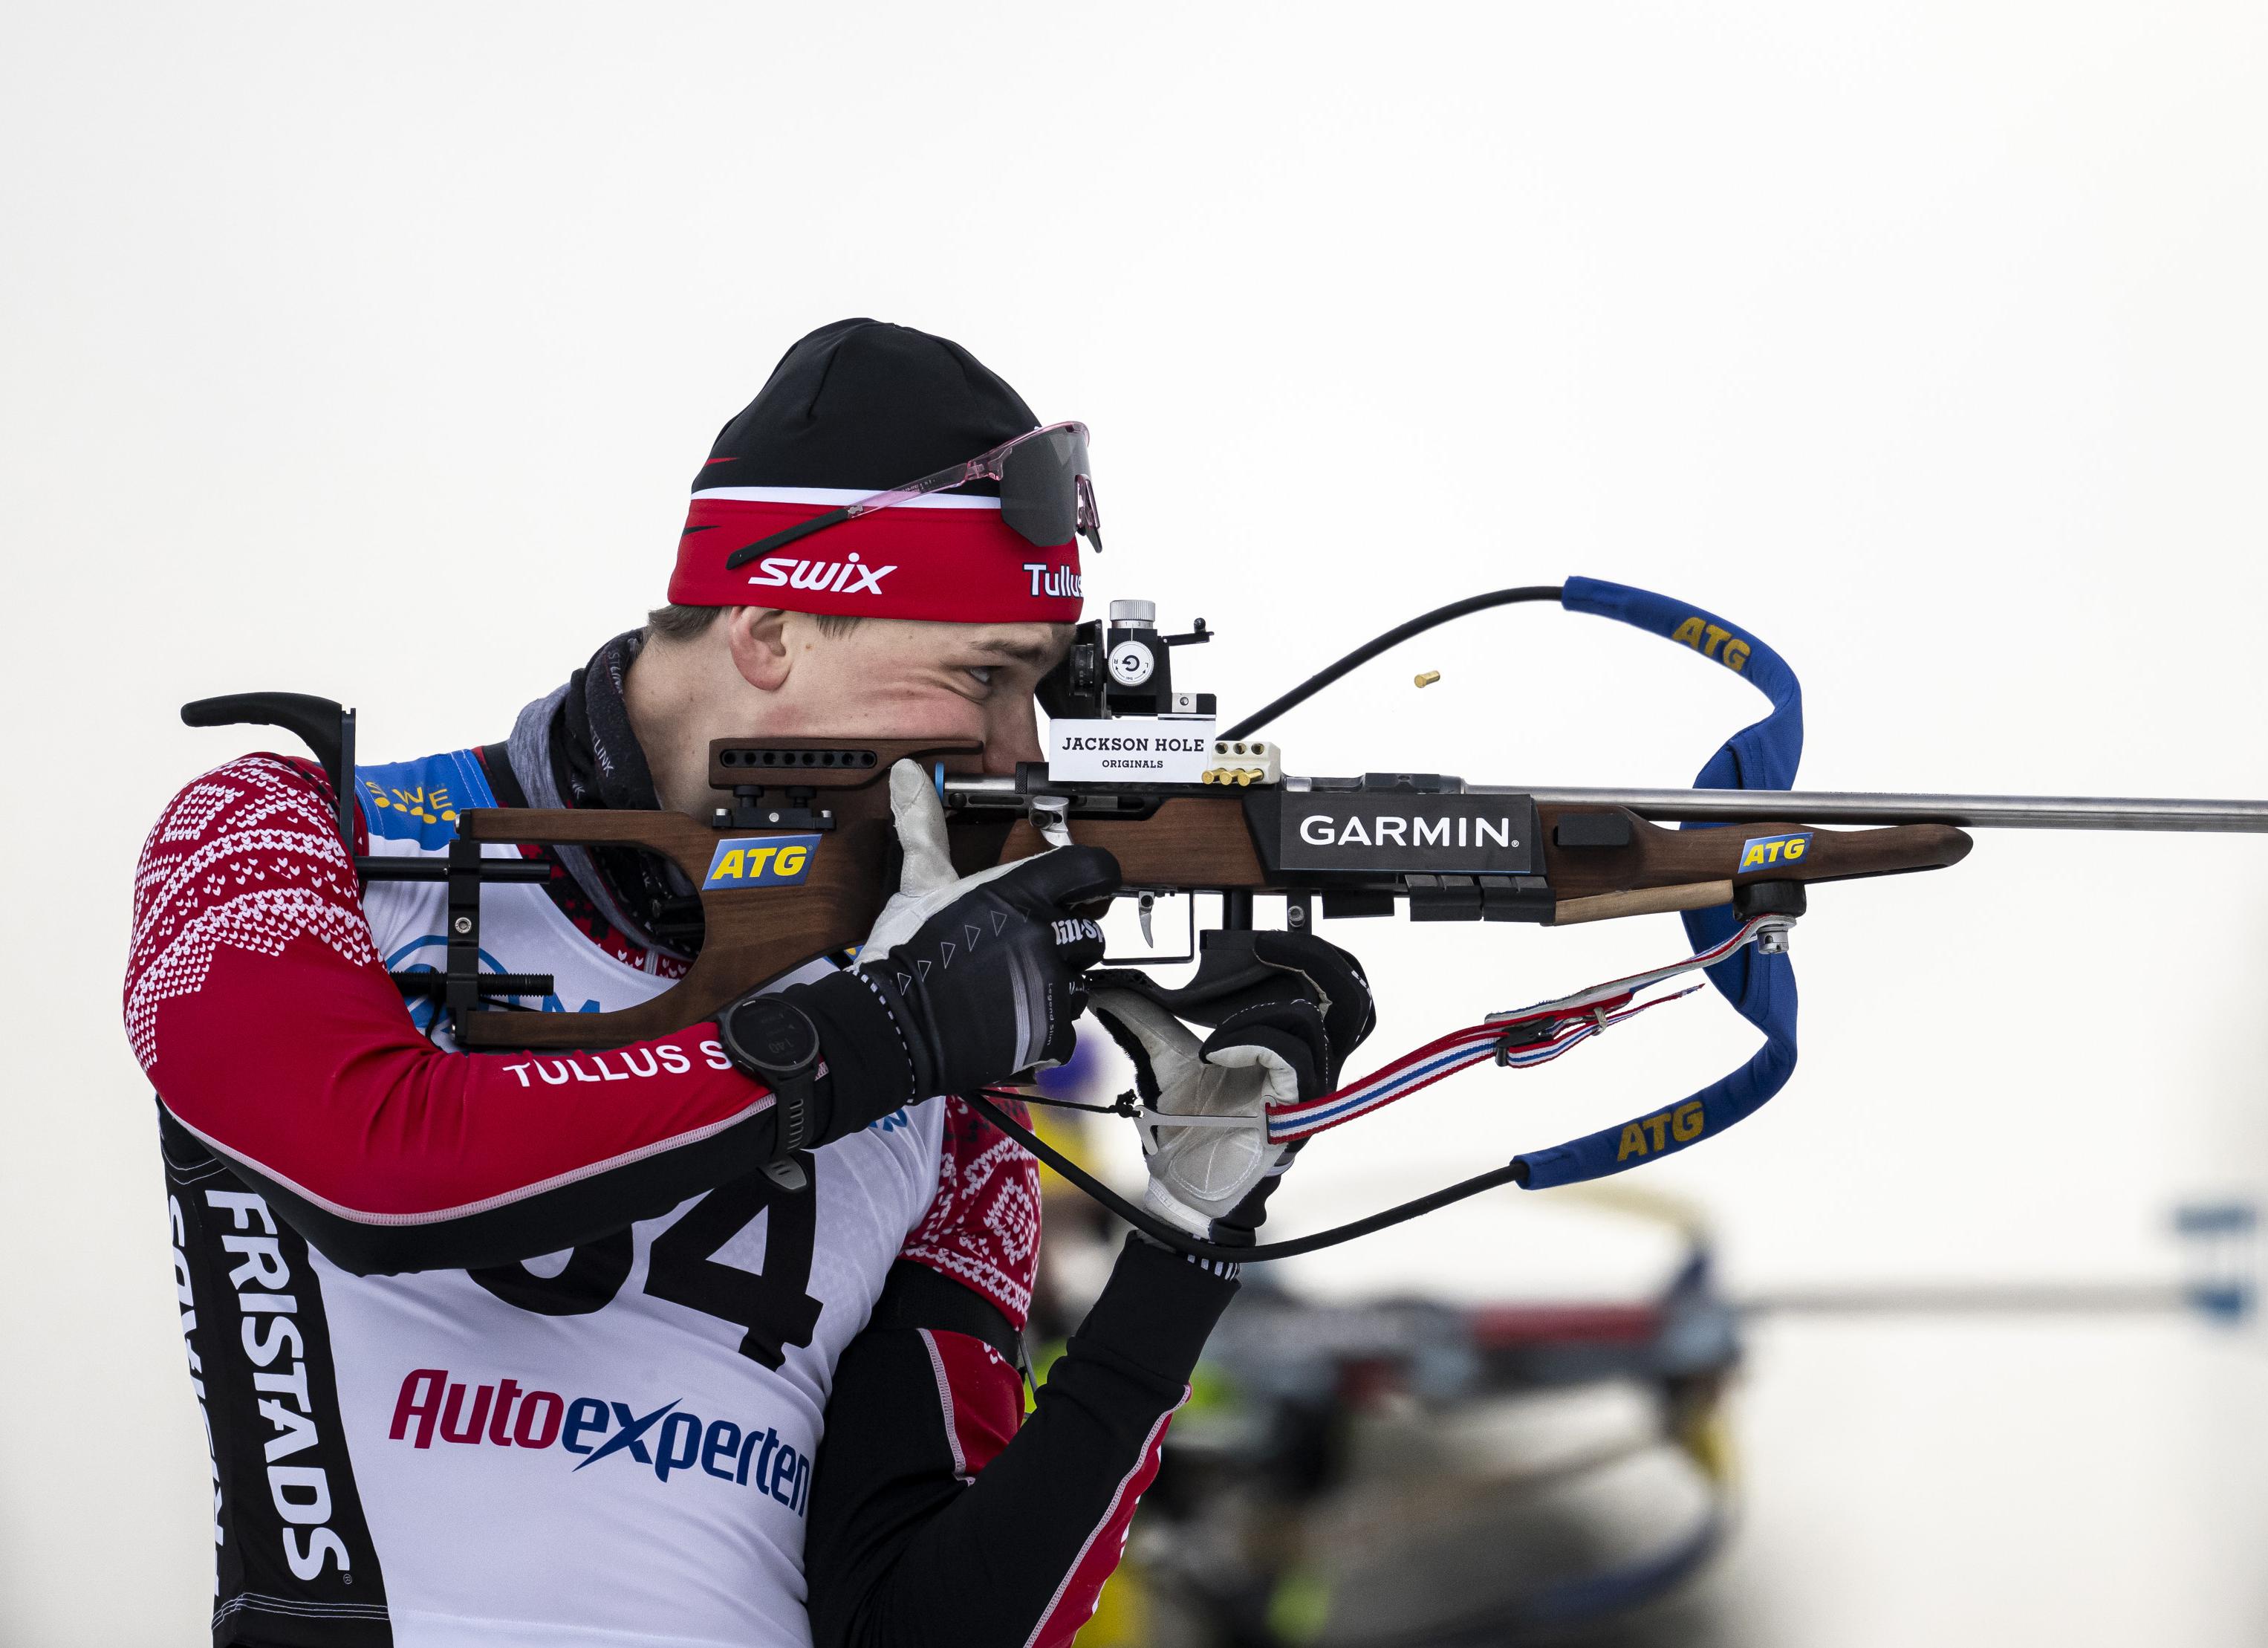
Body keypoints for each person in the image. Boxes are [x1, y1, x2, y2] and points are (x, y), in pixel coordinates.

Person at [124, 319, 1372, 1648]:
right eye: (985, 675)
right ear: (772, 627)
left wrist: (1186, 1241)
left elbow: (929, 1630)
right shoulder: (290, 833)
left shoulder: (945, 1053)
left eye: (1042, 690)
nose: (1020, 746)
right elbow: (369, 1170)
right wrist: (869, 1040)